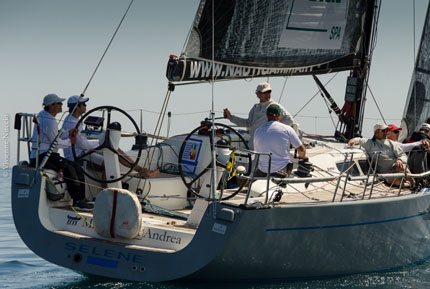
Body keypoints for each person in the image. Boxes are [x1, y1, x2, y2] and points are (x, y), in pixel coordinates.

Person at [62, 95, 159, 179]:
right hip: (78, 155)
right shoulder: (73, 123)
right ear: (77, 107)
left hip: (82, 151)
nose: (86, 106)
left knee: (115, 149)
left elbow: (82, 141)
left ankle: (142, 171)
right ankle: (104, 190)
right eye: (84, 104)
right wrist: (100, 142)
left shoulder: (71, 119)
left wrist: (101, 142)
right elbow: (82, 144)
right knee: (109, 163)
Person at [29, 93, 93, 210]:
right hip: (45, 156)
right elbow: (56, 143)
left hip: (40, 155)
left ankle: (81, 199)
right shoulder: (49, 120)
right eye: (59, 103)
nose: (62, 105)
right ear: (52, 106)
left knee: (75, 167)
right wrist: (70, 141)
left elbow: (52, 137)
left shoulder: (44, 115)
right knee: (70, 168)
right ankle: (78, 201)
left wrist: (67, 134)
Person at [223, 82, 297, 149]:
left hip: (266, 143)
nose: (267, 94)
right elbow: (248, 123)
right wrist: (231, 118)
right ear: (258, 94)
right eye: (264, 92)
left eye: (269, 91)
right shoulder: (255, 107)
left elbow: (289, 120)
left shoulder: (274, 106)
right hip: (253, 143)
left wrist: (273, 130)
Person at [348, 123, 414, 187]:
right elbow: (358, 140)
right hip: (385, 174)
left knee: (403, 166)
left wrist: (399, 160)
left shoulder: (391, 143)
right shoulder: (369, 143)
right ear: (376, 132)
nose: (386, 132)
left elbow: (403, 155)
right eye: (383, 130)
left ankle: (414, 184)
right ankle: (407, 185)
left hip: (396, 168)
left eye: (387, 130)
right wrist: (353, 141)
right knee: (398, 183)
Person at [253, 104, 307, 177]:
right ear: (279, 115)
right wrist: (302, 157)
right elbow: (302, 150)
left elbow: (257, 152)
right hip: (281, 171)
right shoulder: (287, 129)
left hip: (262, 171)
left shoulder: (258, 131)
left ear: (267, 115)